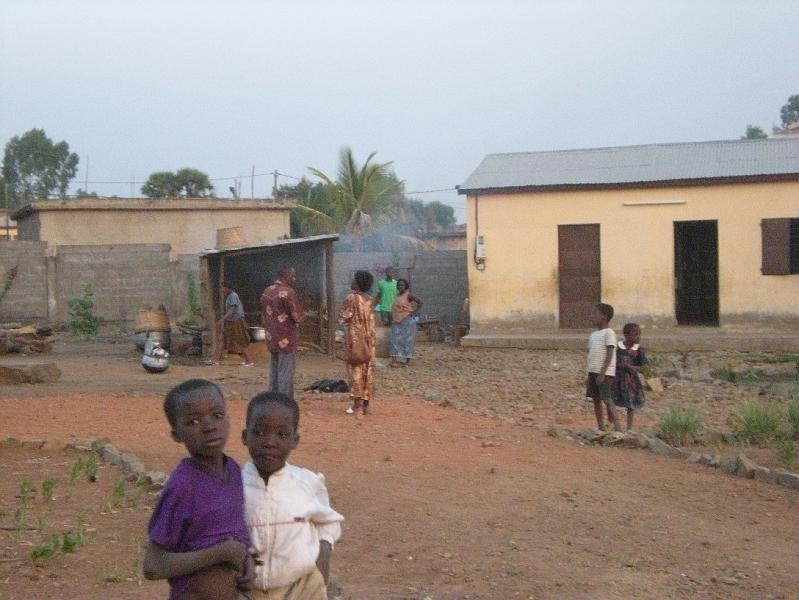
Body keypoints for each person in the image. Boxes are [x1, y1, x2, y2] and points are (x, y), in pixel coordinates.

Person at [143, 379, 254, 599]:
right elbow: (153, 566)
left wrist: (245, 561)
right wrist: (220, 553)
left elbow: (233, 536)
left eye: (218, 415)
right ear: (176, 434)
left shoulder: (233, 471)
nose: (209, 426)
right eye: (193, 421)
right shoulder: (183, 486)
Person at [241, 392, 344, 600]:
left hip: (301, 587)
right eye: (259, 432)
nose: (270, 442)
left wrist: (323, 554)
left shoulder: (306, 483)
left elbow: (329, 521)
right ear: (245, 436)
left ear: (295, 440)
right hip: (247, 590)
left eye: (282, 435)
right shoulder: (233, 486)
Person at [261, 267, 305, 399]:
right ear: (286, 275)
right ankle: (284, 400)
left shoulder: (267, 291)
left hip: (271, 336)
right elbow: (297, 316)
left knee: (274, 369)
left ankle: (272, 397)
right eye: (293, 275)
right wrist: (303, 317)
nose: (294, 278)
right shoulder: (288, 292)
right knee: (285, 370)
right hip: (286, 337)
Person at [339, 270, 376, 416]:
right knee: (368, 369)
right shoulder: (370, 299)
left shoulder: (351, 298)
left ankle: (356, 404)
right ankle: (366, 404)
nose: (351, 281)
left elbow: (343, 317)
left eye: (354, 279)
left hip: (355, 338)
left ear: (358, 283)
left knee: (356, 369)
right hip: (369, 339)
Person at [585, 303, 623, 432]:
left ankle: (618, 427)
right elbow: (591, 354)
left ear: (604, 317)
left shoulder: (609, 333)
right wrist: (588, 374)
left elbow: (609, 354)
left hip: (604, 373)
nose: (591, 316)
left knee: (607, 398)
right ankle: (601, 427)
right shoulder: (594, 335)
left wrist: (602, 373)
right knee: (596, 399)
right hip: (593, 371)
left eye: (595, 314)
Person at [614, 323, 647, 432]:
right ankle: (613, 424)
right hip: (618, 379)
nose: (638, 337)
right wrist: (623, 365)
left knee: (631, 403)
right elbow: (613, 362)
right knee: (612, 401)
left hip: (631, 381)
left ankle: (629, 428)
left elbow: (643, 366)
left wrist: (632, 367)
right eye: (635, 334)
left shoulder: (639, 350)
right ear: (626, 335)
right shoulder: (619, 348)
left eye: (639, 334)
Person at [211, 282, 254, 367]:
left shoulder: (233, 296)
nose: (221, 290)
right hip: (231, 321)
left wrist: (222, 319)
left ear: (227, 288)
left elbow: (232, 310)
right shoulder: (229, 296)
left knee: (241, 341)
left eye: (223, 288)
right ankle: (216, 361)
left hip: (236, 321)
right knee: (222, 339)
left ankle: (249, 362)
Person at [388, 278, 423, 367]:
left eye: (402, 285)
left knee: (408, 341)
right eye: (399, 285)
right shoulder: (397, 296)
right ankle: (394, 360)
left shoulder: (408, 295)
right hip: (397, 321)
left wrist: (414, 312)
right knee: (394, 339)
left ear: (406, 286)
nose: (400, 287)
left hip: (407, 321)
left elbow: (420, 302)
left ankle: (407, 361)